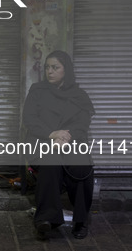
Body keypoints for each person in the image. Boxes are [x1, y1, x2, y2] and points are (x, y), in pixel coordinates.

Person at [22, 50, 95, 240]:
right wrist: (51, 135)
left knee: (81, 167)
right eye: (47, 67)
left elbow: (82, 124)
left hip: (71, 143)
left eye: (55, 67)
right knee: (50, 161)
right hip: (42, 142)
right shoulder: (37, 91)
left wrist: (65, 139)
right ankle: (46, 220)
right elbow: (29, 119)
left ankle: (80, 221)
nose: (50, 72)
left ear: (66, 70)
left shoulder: (79, 95)